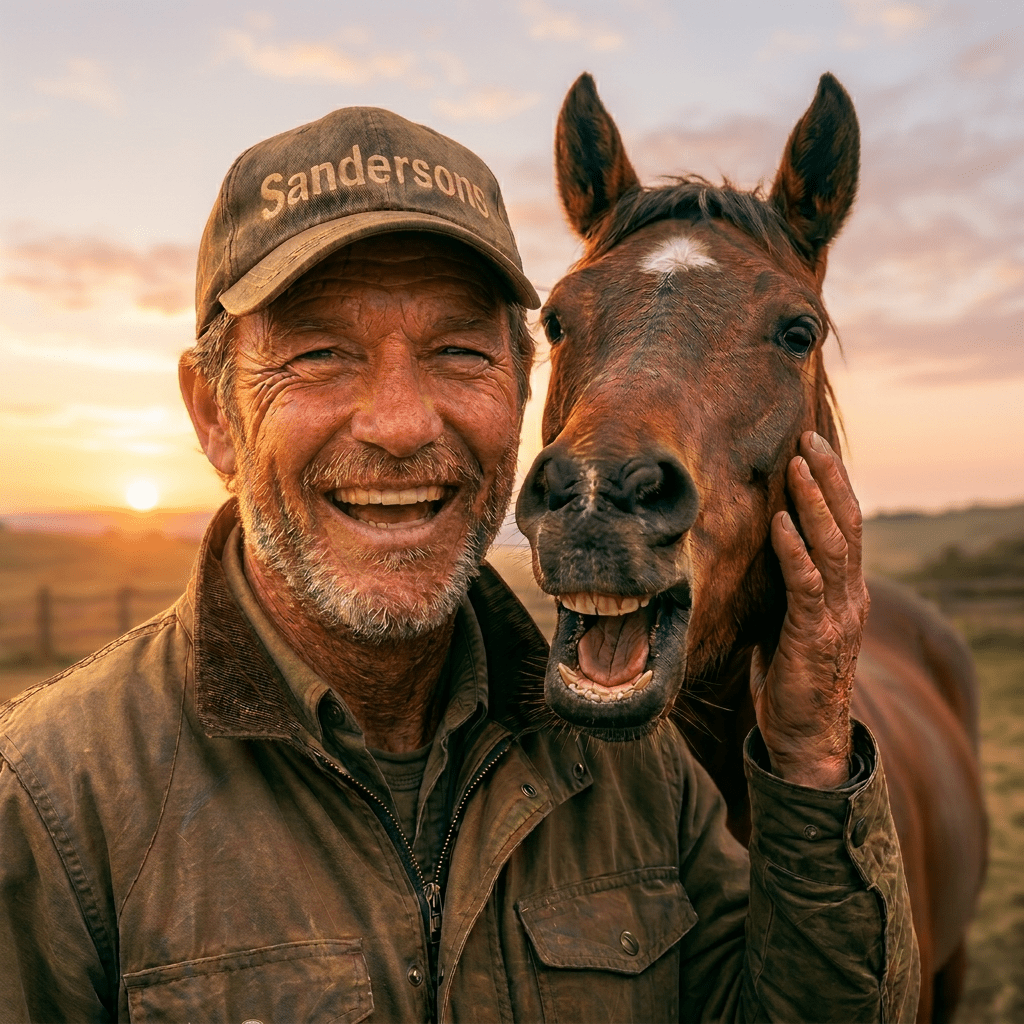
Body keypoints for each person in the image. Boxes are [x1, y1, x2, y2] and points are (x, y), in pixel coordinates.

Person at [0, 105, 918, 1022]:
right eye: (318, 353)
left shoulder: (639, 768)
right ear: (212, 413)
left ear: (521, 387)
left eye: (458, 352)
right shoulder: (47, 806)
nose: (401, 425)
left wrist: (808, 754)